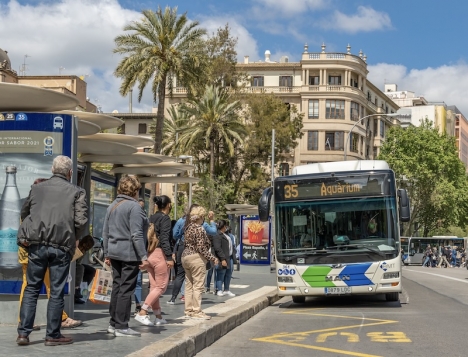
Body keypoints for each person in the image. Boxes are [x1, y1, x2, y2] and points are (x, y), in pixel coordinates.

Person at [17, 156, 88, 346]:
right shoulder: (77, 191)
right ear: (70, 172)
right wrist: (75, 237)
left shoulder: (36, 189)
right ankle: (52, 335)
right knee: (56, 292)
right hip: (62, 246)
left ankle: (23, 334)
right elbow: (81, 222)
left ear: (52, 169)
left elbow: (24, 213)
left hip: (37, 246)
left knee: (32, 288)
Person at [103, 175, 149, 337]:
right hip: (129, 254)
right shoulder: (134, 207)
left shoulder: (112, 206)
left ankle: (113, 323)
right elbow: (136, 234)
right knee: (126, 289)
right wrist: (143, 256)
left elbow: (105, 232)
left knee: (117, 287)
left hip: (114, 253)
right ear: (135, 190)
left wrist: (107, 253)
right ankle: (122, 325)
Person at [135, 195, 174, 326]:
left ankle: (158, 316)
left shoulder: (151, 218)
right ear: (168, 205)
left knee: (154, 288)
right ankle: (143, 311)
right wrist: (169, 257)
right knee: (161, 287)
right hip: (160, 255)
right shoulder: (165, 219)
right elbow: (164, 238)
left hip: (149, 254)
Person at [169, 205, 217, 303]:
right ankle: (195, 307)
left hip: (183, 249)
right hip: (196, 254)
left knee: (181, 275)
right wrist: (212, 220)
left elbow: (174, 234)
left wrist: (181, 238)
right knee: (197, 281)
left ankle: (174, 298)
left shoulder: (182, 222)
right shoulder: (201, 226)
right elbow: (213, 232)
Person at [181, 206, 218, 320]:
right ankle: (197, 310)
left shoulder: (188, 228)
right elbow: (201, 248)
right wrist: (212, 258)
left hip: (185, 256)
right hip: (196, 258)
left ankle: (188, 310)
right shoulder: (199, 228)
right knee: (198, 285)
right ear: (201, 217)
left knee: (189, 285)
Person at [212, 220, 237, 297]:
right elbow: (217, 248)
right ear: (223, 226)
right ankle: (219, 289)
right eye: (225, 226)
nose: (226, 227)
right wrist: (222, 259)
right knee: (221, 274)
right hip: (223, 258)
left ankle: (227, 289)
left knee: (228, 274)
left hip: (230, 258)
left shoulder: (227, 235)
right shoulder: (217, 235)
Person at [74, 234, 96, 304]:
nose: (88, 248)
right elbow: (74, 261)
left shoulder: (84, 250)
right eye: (87, 246)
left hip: (76, 264)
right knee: (81, 268)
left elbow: (79, 262)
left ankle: (83, 288)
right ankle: (76, 289)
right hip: (71, 264)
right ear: (83, 243)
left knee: (91, 271)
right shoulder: (77, 245)